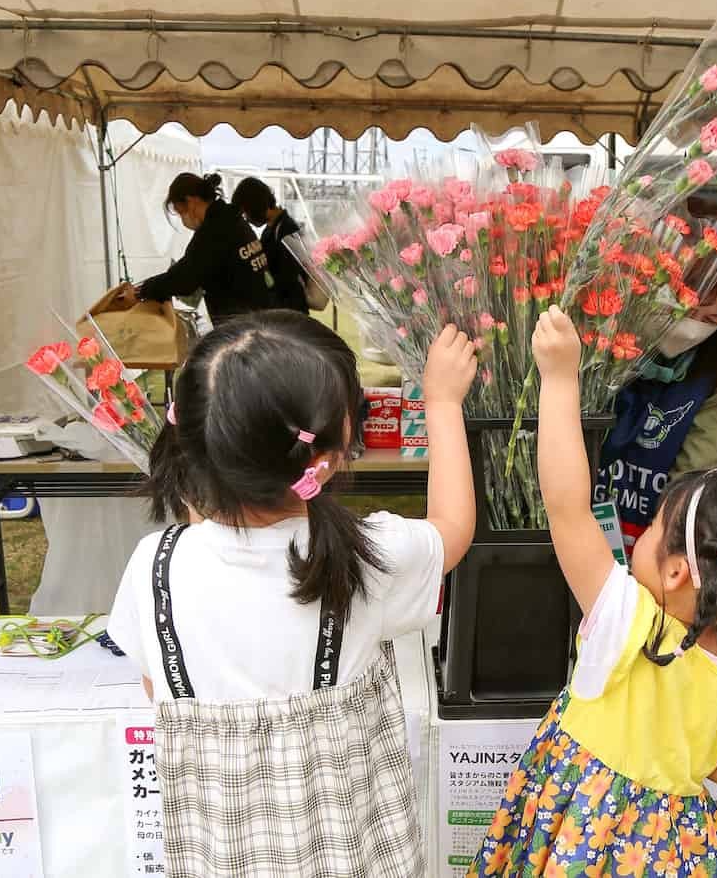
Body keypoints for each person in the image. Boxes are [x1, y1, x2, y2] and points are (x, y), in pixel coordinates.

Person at [106, 311, 477, 877]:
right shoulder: (365, 557)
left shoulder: (154, 566)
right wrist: (444, 403)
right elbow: (453, 528)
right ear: (325, 456)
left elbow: (154, 686)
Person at [470, 305, 717, 877]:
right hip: (672, 848)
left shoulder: (627, 617)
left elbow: (567, 507)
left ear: (675, 572)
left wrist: (561, 379)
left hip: (582, 828)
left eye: (652, 531)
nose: (637, 536)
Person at [594, 206, 717, 553]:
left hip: (650, 546)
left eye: (710, 318)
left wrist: (663, 550)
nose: (690, 327)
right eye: (680, 309)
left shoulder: (715, 375)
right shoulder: (597, 343)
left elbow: (695, 479)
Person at [137, 173, 277, 324]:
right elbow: (192, 267)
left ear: (191, 202)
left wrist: (142, 290)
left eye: (180, 212)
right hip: (261, 314)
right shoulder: (232, 219)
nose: (183, 219)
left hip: (242, 323)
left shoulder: (215, 229)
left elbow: (184, 278)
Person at [231, 176, 312, 315]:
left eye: (246, 213)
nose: (247, 219)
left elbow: (287, 280)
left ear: (254, 205)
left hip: (289, 314)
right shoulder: (272, 229)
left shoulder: (287, 231)